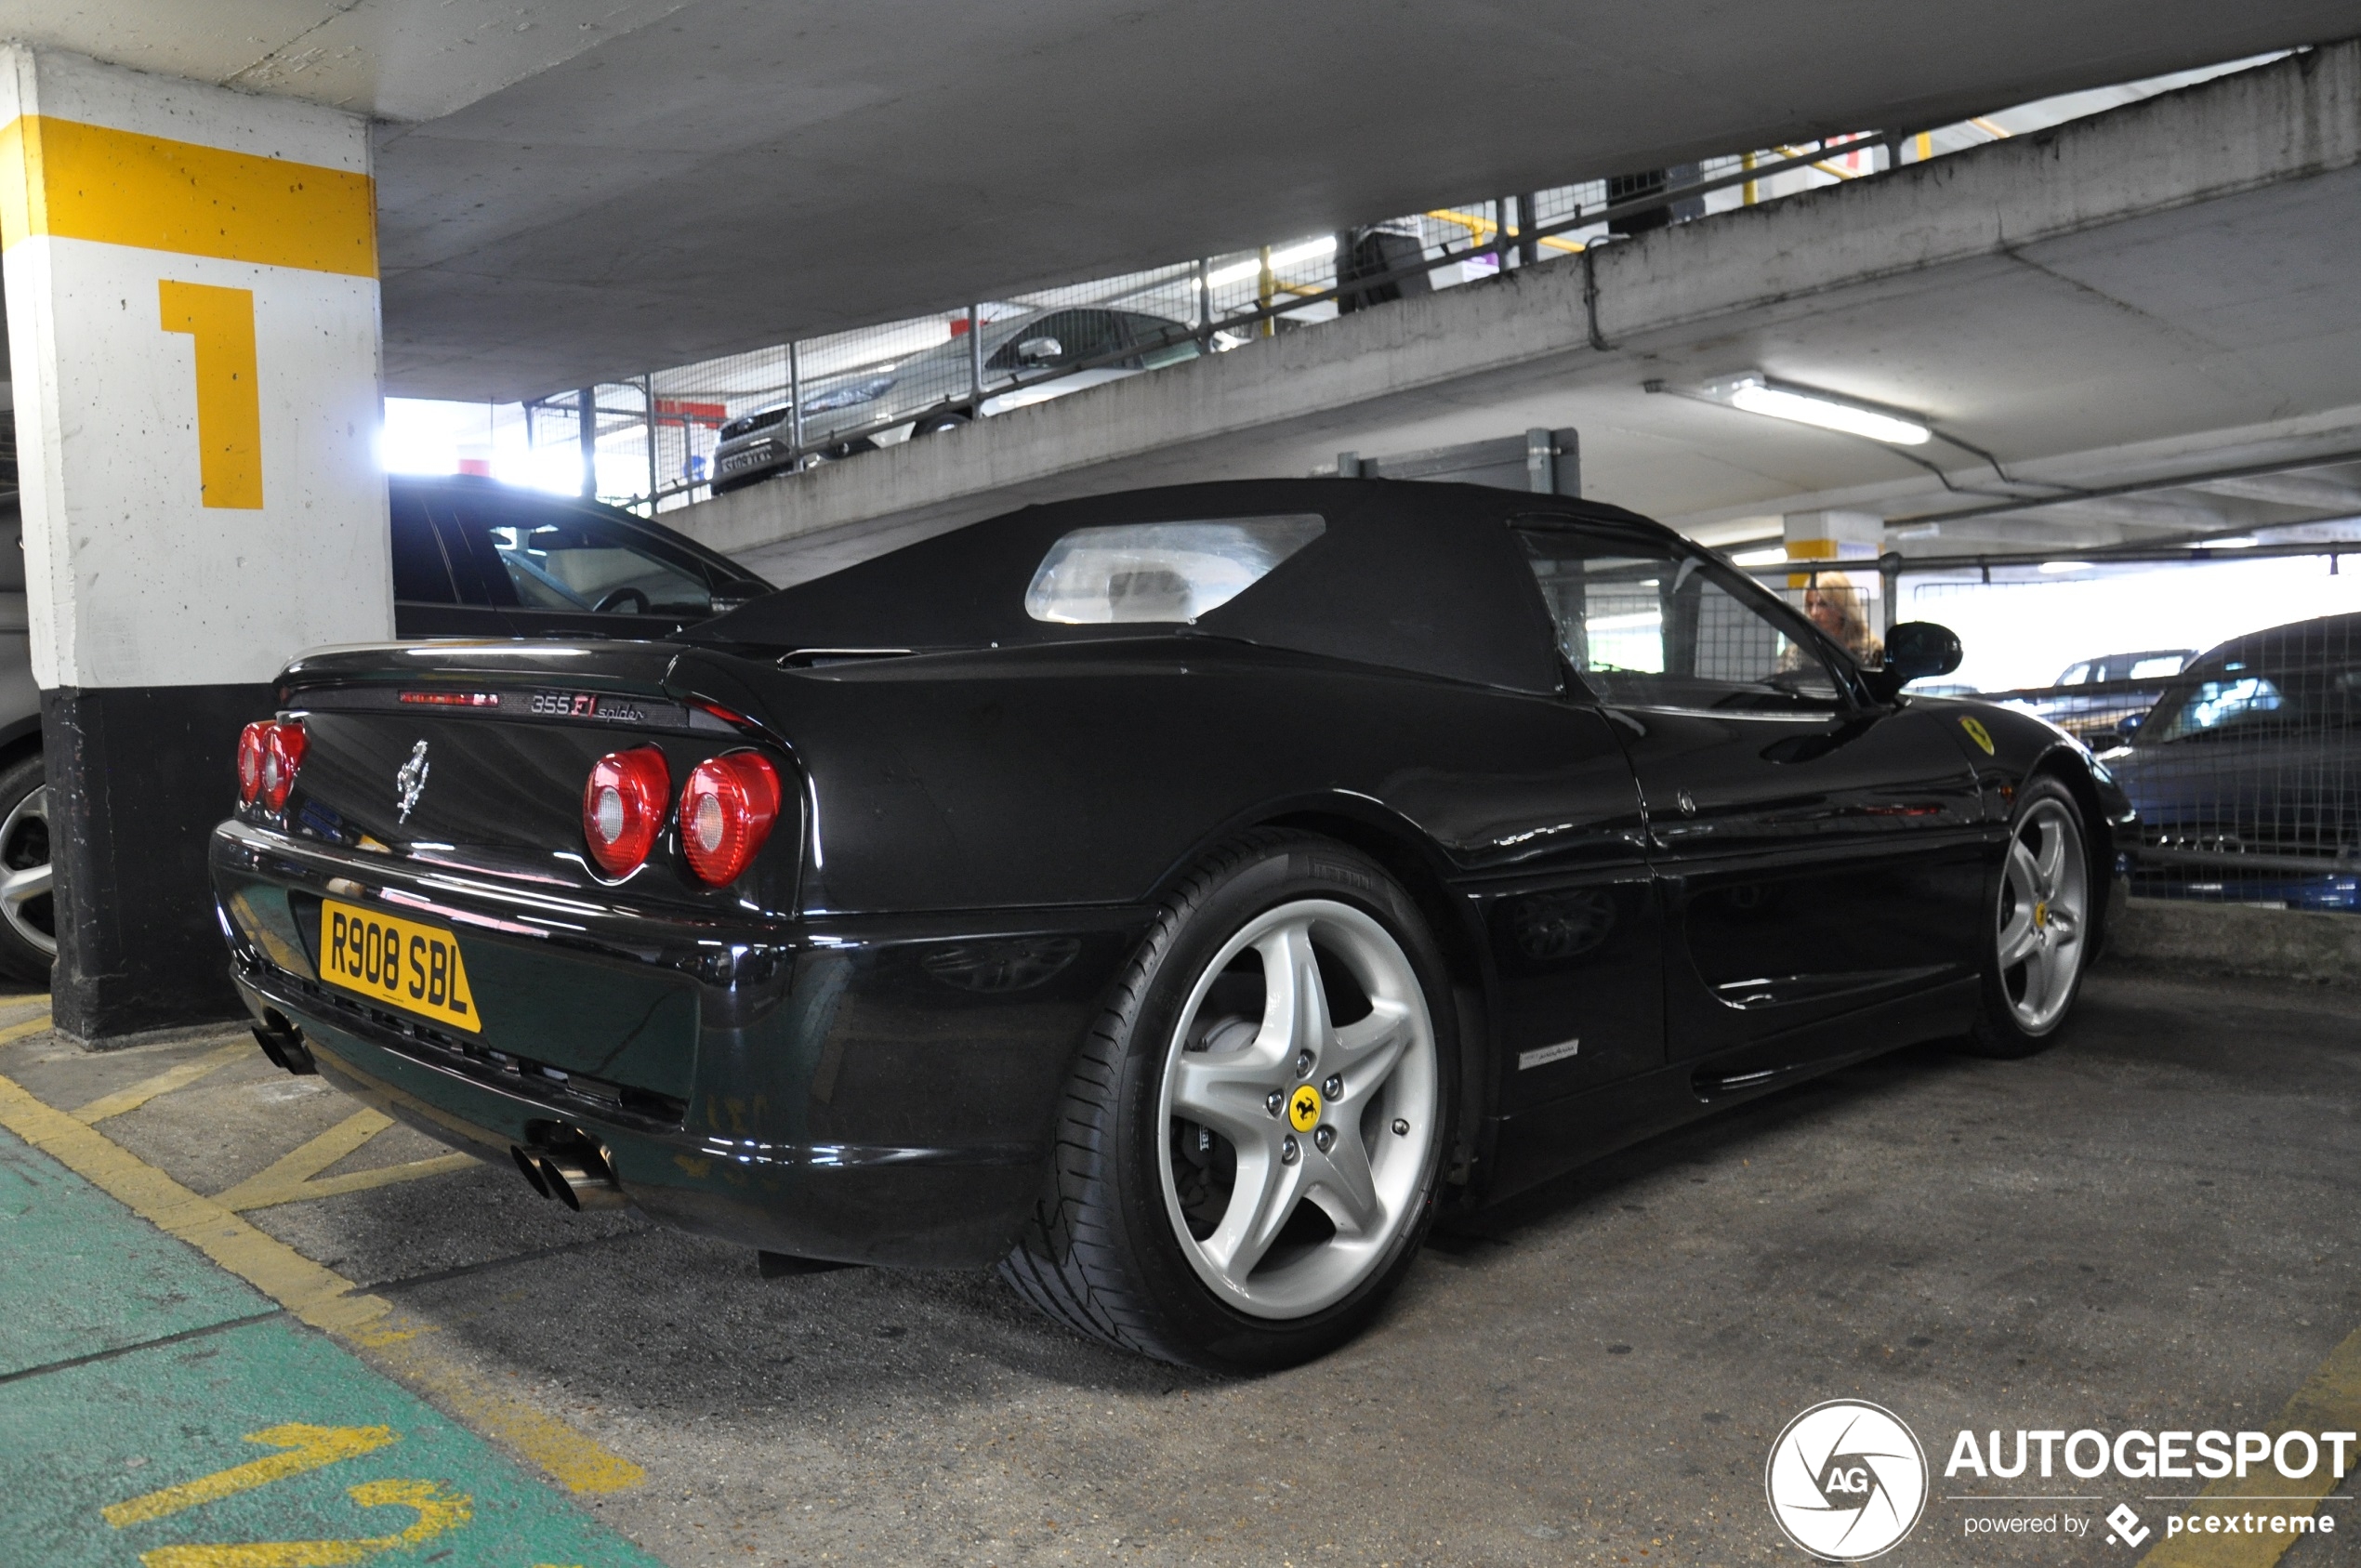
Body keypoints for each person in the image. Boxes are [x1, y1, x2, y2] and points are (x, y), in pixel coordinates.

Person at [1802, 569, 1883, 665]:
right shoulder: (1799, 652)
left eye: (1823, 604)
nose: (1814, 612)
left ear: (1842, 606)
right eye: (1810, 605)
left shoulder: (1872, 651)